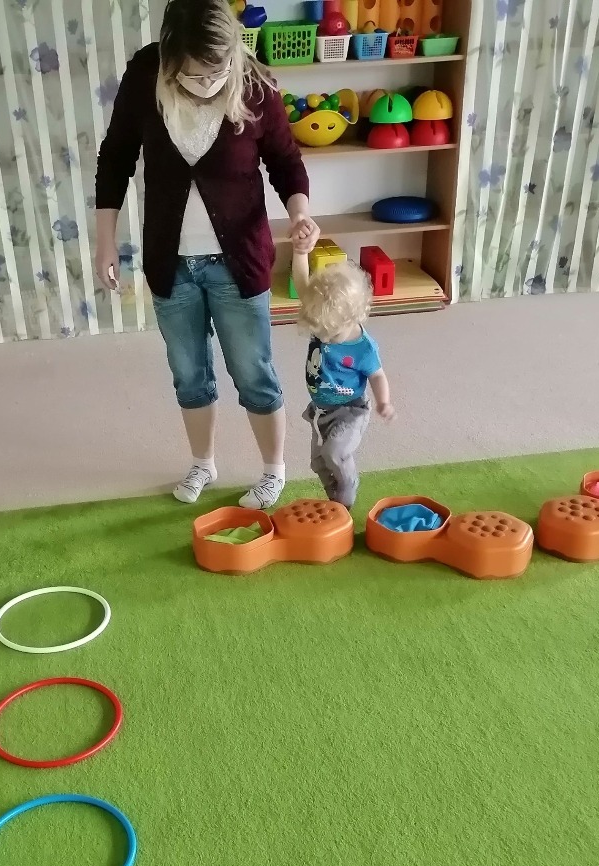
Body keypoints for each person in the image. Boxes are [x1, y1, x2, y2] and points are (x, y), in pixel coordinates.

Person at [95, 0, 319, 509]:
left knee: (253, 372)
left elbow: (286, 161)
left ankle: (273, 471)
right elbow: (116, 156)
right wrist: (104, 239)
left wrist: (300, 214)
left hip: (239, 262)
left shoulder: (254, 83)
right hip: (170, 263)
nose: (208, 84)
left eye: (218, 73)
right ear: (171, 57)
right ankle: (203, 463)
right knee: (189, 374)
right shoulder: (144, 76)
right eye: (195, 75)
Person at [293, 250, 395, 511]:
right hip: (319, 410)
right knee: (318, 462)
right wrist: (300, 252)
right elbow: (303, 284)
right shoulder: (324, 318)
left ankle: (347, 493)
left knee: (334, 453)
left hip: (350, 410)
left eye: (331, 334)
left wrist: (384, 402)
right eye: (320, 332)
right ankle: (336, 503)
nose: (324, 338)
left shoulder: (364, 348)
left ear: (354, 317)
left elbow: (377, 375)